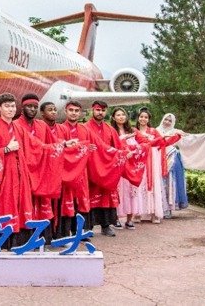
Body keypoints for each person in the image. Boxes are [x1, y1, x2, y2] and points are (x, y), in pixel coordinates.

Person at [0, 93, 78, 248]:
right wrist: (5, 149)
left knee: (20, 209)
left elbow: (38, 146)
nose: (10, 109)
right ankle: (0, 243)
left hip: (20, 177)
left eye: (13, 106)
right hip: (3, 179)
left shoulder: (19, 129)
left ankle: (18, 243)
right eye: (7, 106)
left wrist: (64, 145)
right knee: (4, 207)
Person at [14, 93, 57, 243]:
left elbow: (53, 146)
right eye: (29, 106)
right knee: (24, 205)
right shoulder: (16, 125)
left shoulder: (42, 125)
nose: (32, 109)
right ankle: (25, 239)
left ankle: (43, 238)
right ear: (22, 107)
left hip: (41, 172)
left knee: (42, 205)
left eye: (35, 107)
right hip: (23, 173)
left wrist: (67, 147)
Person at [83, 101, 125, 237]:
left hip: (107, 170)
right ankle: (86, 228)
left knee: (106, 198)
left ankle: (105, 226)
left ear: (106, 112)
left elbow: (119, 148)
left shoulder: (110, 130)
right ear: (92, 110)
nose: (100, 112)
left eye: (102, 110)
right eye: (97, 110)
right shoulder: (85, 128)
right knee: (88, 198)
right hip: (90, 169)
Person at [134, 108, 181, 224]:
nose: (143, 119)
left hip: (152, 161)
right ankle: (138, 213)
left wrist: (177, 136)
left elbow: (163, 142)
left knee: (154, 185)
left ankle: (155, 213)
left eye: (146, 117)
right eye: (141, 117)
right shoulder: (134, 131)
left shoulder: (153, 131)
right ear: (138, 118)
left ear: (149, 119)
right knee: (140, 185)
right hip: (139, 160)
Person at [56, 101, 91, 238]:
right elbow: (58, 148)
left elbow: (91, 148)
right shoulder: (59, 128)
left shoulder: (84, 130)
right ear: (65, 111)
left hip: (81, 171)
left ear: (80, 112)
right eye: (71, 110)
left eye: (77, 110)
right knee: (66, 201)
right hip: (66, 172)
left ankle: (80, 231)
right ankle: (65, 232)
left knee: (81, 200)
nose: (74, 113)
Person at [156, 113, 188, 218]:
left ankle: (169, 208)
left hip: (172, 158)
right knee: (159, 183)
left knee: (170, 183)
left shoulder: (176, 132)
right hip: (158, 158)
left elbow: (188, 140)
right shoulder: (156, 130)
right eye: (166, 119)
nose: (167, 122)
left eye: (170, 120)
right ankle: (159, 207)